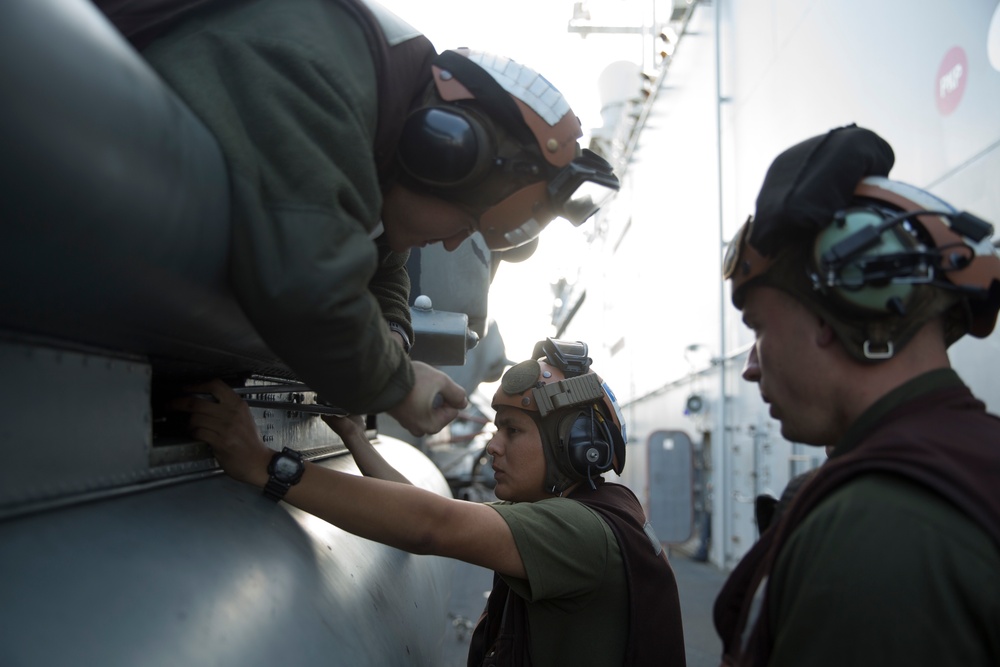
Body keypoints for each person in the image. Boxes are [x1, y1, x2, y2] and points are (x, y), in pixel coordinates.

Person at [93, 0, 620, 437]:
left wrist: (393, 330)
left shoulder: (379, 119)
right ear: (439, 151)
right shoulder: (318, 72)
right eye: (466, 222)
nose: (458, 245)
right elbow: (307, 280)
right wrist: (398, 386)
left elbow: (385, 258)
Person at [173, 338, 687, 666]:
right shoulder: (585, 513)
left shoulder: (578, 532)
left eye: (512, 430)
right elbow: (417, 504)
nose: (493, 445)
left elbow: (431, 525)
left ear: (573, 445)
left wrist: (264, 465)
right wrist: (354, 434)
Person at [713, 124, 1000, 666]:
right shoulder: (969, 463)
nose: (752, 367)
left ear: (832, 313)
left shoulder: (880, 531)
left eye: (757, 328)